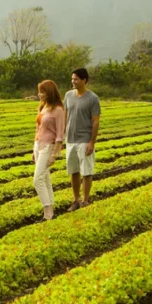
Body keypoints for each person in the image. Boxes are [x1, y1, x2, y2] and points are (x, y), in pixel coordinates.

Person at [63, 67, 100, 211]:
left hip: (85, 139)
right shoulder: (68, 95)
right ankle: (76, 200)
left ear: (84, 80)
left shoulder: (93, 98)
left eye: (76, 79)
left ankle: (85, 200)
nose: (73, 81)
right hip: (70, 139)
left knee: (86, 171)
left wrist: (92, 142)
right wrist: (62, 137)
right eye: (72, 79)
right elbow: (65, 116)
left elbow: (95, 121)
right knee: (74, 171)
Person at [33, 79, 65, 221]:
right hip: (38, 145)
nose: (39, 94)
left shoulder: (58, 110)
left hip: (48, 147)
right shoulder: (43, 107)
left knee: (38, 179)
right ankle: (50, 212)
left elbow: (60, 134)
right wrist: (33, 149)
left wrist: (54, 154)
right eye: (39, 91)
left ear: (49, 93)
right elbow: (38, 128)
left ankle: (47, 212)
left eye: (42, 92)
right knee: (45, 178)